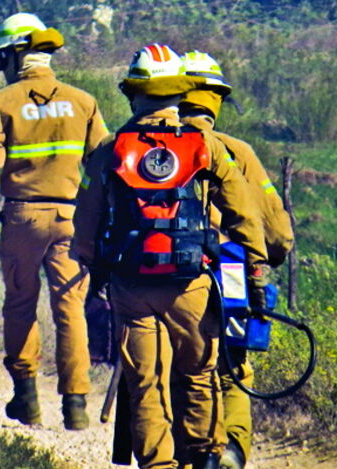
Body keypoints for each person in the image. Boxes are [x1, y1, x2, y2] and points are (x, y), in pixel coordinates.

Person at [71, 44, 269, 469]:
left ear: (132, 93)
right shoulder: (207, 146)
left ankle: (158, 465)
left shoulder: (108, 151)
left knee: (145, 384)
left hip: (132, 287)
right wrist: (255, 276)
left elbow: (84, 230)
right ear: (180, 93)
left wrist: (99, 276)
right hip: (192, 286)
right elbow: (245, 217)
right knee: (198, 377)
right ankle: (206, 457)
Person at [0, 12, 108, 430]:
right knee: (72, 311)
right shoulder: (83, 102)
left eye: (2, 58)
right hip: (71, 219)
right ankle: (76, 408)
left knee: (21, 306)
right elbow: (102, 167)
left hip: (22, 220)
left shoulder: (2, 103)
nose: (0, 67)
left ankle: (26, 401)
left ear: (14, 55)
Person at [180, 51, 294, 469]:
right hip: (230, 274)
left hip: (161, 277)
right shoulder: (237, 152)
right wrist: (263, 265)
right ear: (216, 100)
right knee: (232, 369)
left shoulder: (143, 146)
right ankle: (229, 450)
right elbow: (278, 233)